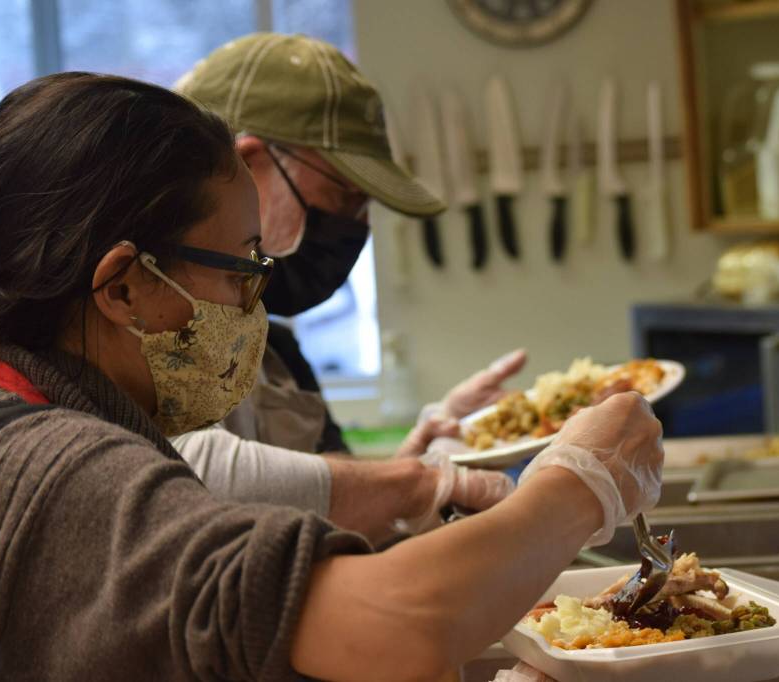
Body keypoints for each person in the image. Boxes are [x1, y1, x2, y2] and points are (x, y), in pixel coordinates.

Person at [0, 72, 664, 681]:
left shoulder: (20, 435)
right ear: (122, 288)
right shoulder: (68, 472)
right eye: (241, 268)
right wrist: (580, 480)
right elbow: (399, 624)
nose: (254, 301)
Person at [167, 32, 526, 535]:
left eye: (365, 208)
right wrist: (416, 483)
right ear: (247, 166)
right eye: (344, 196)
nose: (357, 224)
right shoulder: (140, 320)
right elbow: (180, 471)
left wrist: (424, 452)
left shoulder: (278, 354)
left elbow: (324, 532)